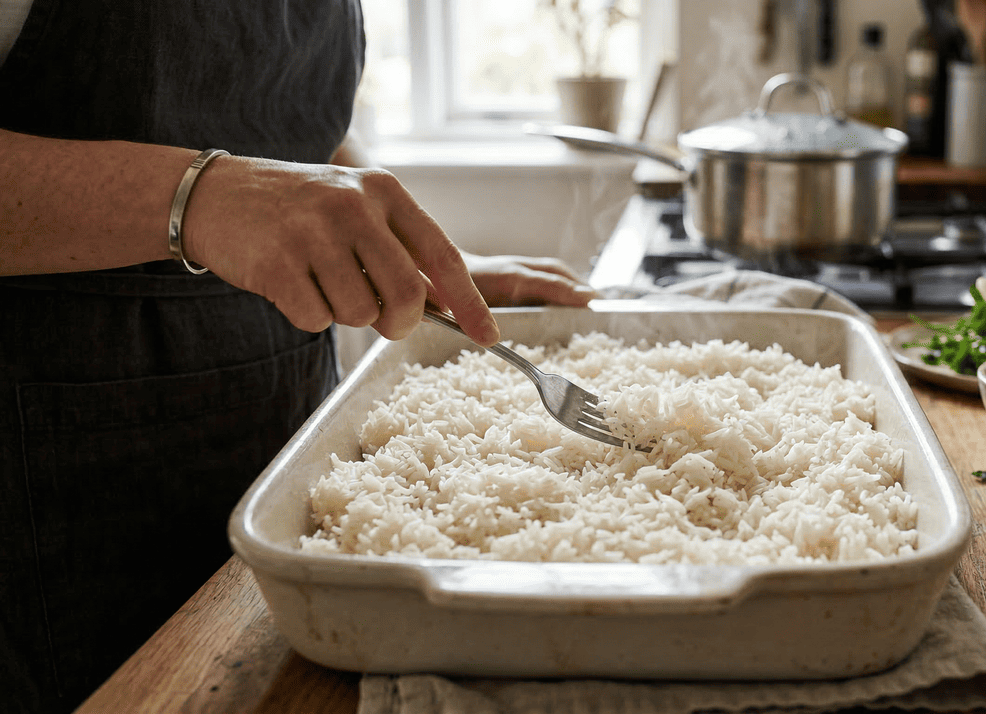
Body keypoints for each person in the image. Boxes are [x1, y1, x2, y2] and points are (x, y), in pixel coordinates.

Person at [0, 2, 596, 712]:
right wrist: (201, 196)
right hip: (55, 481)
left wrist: (414, 260)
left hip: (289, 442)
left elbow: (283, 121)